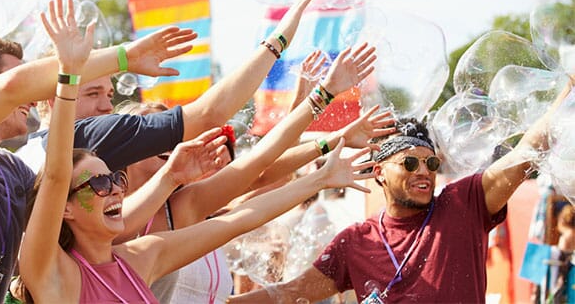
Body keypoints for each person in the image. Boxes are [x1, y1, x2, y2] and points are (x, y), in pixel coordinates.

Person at [19, 0, 379, 303]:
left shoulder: (141, 257)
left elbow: (240, 217)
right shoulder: (52, 272)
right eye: (97, 184)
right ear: (63, 208)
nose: (113, 188)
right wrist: (68, 74)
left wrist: (319, 179)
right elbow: (54, 175)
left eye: (112, 179)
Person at [0, 0, 198, 302]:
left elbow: (84, 208)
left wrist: (171, 178)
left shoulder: (13, 171)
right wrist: (122, 57)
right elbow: (13, 87)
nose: (35, 99)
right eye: (36, 86)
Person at [230, 80, 574, 303]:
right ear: (379, 172)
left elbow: (528, 148)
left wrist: (569, 86)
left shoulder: (462, 204)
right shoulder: (355, 241)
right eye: (410, 164)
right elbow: (291, 292)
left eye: (431, 164)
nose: (424, 172)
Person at [114, 47, 390, 303]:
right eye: (152, 135)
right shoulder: (110, 221)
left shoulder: (187, 208)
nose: (166, 144)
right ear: (125, 148)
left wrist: (321, 119)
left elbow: (264, 171)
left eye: (170, 137)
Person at [15, 0, 318, 175]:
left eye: (108, 93)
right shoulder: (85, 135)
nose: (108, 105)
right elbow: (209, 114)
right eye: (93, 93)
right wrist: (277, 43)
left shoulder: (22, 155)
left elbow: (255, 178)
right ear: (55, 97)